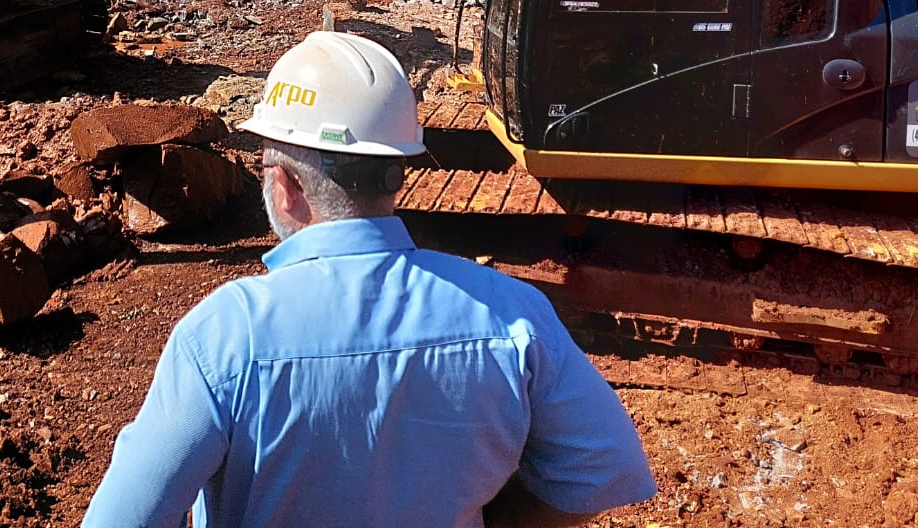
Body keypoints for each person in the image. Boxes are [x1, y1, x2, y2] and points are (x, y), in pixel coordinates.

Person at [82, 31, 656, 528]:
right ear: (395, 176)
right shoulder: (514, 315)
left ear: (283, 186)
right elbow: (606, 468)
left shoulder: (224, 338)